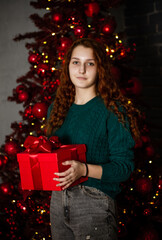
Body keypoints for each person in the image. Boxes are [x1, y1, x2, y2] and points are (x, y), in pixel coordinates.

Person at [46, 38, 140, 240]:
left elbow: (124, 167)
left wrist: (84, 169)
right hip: (58, 200)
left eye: (90, 63)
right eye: (76, 62)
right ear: (68, 66)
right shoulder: (57, 108)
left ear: (100, 69)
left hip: (94, 202)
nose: (81, 70)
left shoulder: (113, 110)